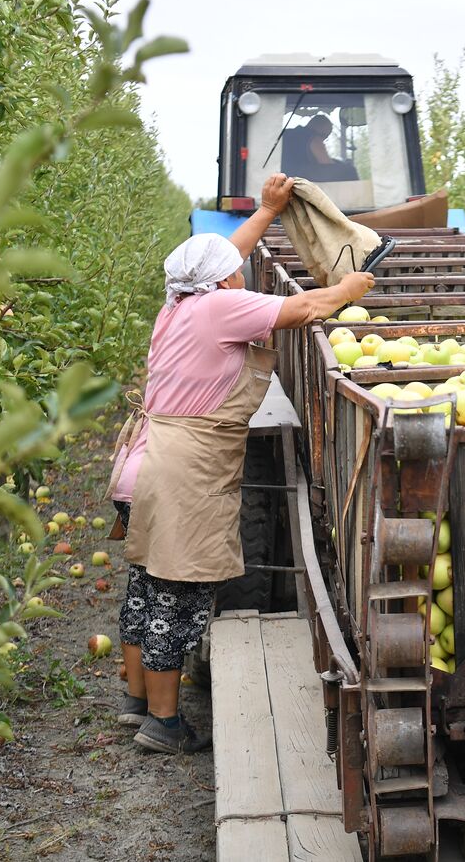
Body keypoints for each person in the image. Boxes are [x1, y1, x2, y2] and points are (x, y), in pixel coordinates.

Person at [106, 173, 375, 753]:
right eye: (235, 267)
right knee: (177, 599)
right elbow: (308, 307)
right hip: (184, 477)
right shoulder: (224, 308)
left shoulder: (177, 305)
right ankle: (164, 725)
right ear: (223, 280)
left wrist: (267, 211)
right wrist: (352, 284)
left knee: (146, 588)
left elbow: (226, 257)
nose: (241, 268)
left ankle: (135, 700)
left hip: (146, 462)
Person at [288, 114, 359, 183]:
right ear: (321, 131)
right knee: (349, 171)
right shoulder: (312, 137)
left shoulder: (287, 134)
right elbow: (326, 164)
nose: (322, 141)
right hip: (297, 182)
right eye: (324, 136)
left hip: (283, 181)